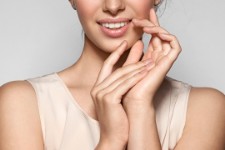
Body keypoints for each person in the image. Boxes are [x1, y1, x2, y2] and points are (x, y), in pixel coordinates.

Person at [0, 0, 225, 149]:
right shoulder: (21, 103)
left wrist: (139, 107)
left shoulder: (204, 109)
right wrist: (110, 141)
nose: (113, 5)